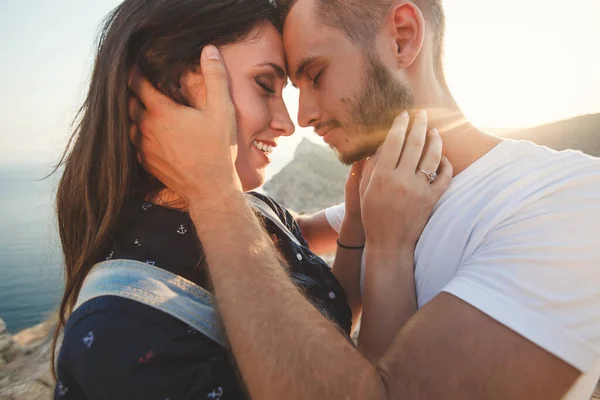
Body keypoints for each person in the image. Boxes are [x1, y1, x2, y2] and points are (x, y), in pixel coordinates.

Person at [128, 0, 600, 399]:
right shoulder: (391, 191)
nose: (303, 117)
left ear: (401, 37)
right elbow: (302, 233)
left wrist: (214, 189)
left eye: (316, 74)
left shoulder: (570, 202)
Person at [52, 0, 446, 399]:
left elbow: (323, 310)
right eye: (263, 85)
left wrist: (359, 221)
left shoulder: (258, 210)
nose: (289, 123)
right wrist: (388, 247)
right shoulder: (121, 333)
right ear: (169, 87)